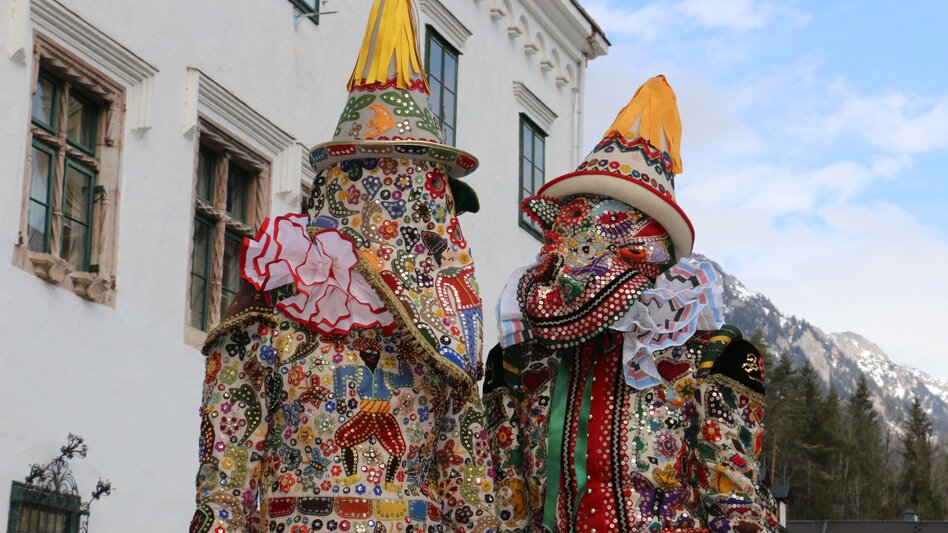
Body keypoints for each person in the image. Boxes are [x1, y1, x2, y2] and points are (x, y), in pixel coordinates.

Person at [189, 1, 495, 531]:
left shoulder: (443, 349)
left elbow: (471, 493)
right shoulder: (265, 333)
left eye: (429, 193)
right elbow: (225, 490)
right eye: (406, 188)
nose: (427, 222)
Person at [483, 75, 778, 532]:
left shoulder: (715, 358)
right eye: (567, 228)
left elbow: (733, 504)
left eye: (600, 231)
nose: (566, 257)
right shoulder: (517, 359)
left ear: (649, 251)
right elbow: (506, 503)